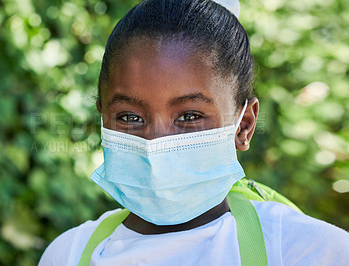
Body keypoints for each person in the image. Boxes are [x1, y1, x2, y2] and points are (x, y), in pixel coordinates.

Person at [39, 0, 349, 265]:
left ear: (243, 125)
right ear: (103, 118)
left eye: (189, 116)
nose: (155, 143)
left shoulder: (307, 251)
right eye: (130, 117)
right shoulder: (69, 254)